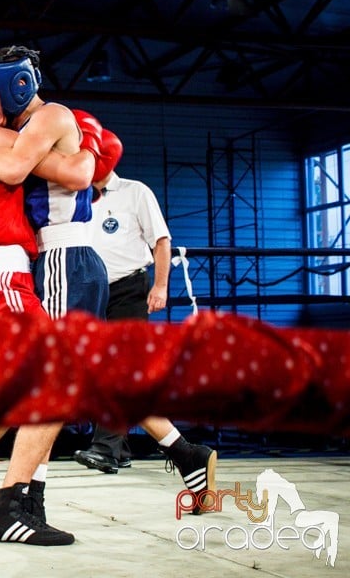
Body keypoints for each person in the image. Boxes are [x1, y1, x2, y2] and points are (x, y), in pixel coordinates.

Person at [0, 48, 117, 545]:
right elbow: (70, 175)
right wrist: (91, 150)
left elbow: (61, 176)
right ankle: (13, 505)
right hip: (22, 273)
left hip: (22, 272)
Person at [72, 169, 217, 504]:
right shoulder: (77, 194)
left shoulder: (135, 191)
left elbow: (161, 240)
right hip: (91, 291)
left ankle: (107, 448)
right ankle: (130, 449)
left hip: (128, 290)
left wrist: (161, 285)